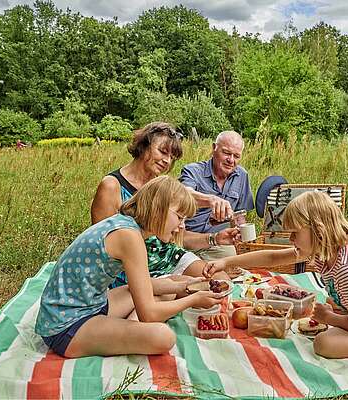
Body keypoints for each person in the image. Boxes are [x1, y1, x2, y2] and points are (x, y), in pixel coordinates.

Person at [204, 191, 348, 360]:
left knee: (324, 344)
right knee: (337, 311)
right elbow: (272, 259)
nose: (291, 239)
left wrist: (330, 318)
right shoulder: (328, 249)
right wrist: (225, 261)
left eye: (295, 233)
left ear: (318, 229)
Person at [35, 176, 223, 358]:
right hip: (65, 326)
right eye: (180, 217)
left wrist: (185, 287)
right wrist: (193, 299)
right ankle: (130, 329)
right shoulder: (129, 237)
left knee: (172, 283)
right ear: (159, 208)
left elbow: (144, 286)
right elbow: (148, 314)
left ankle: (128, 328)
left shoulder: (127, 226)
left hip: (91, 304)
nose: (182, 226)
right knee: (164, 337)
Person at [90, 122, 238, 285]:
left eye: (172, 157)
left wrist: (215, 238)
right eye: (162, 152)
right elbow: (101, 248)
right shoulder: (112, 186)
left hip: (167, 256)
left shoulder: (160, 186)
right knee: (190, 287)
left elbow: (176, 236)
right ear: (144, 145)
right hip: (132, 269)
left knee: (220, 281)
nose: (167, 161)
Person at [179, 130, 254, 260]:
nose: (231, 160)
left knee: (238, 271)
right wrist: (211, 200)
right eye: (226, 153)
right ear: (214, 148)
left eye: (236, 156)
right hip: (187, 241)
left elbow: (240, 215)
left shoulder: (242, 176)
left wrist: (242, 237)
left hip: (219, 242)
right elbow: (183, 194)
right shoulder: (193, 171)